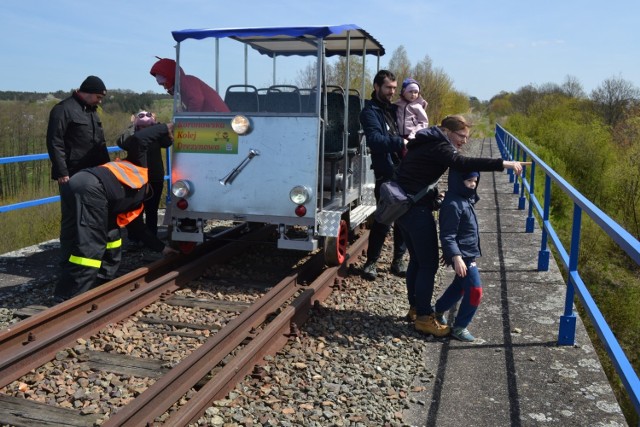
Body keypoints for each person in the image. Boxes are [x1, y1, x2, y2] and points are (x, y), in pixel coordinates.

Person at [394, 114, 524, 336]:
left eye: (466, 137)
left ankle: (415, 309)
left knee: (417, 260)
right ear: (447, 131)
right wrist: (503, 164)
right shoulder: (439, 145)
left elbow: (417, 174)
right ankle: (424, 317)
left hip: (404, 207)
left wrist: (433, 194)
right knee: (428, 265)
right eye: (461, 136)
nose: (464, 141)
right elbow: (462, 162)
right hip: (416, 210)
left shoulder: (428, 141)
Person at [52, 123, 178, 302]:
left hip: (77, 182)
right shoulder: (139, 167)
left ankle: (102, 280)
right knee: (90, 246)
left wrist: (162, 249)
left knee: (109, 235)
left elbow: (139, 230)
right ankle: (71, 296)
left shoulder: (133, 205)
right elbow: (139, 139)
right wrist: (166, 127)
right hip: (92, 189)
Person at [46, 75, 111, 275]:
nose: (100, 101)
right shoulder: (63, 109)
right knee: (71, 219)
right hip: (72, 175)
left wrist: (108, 169)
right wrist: (62, 171)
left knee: (94, 218)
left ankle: (89, 260)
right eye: (98, 97)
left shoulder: (91, 111)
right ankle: (67, 262)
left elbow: (100, 143)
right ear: (88, 92)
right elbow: (54, 142)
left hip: (94, 174)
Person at [359, 70, 408, 280]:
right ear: (377, 87)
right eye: (388, 88)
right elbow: (376, 141)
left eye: (395, 88)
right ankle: (371, 263)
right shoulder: (369, 112)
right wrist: (403, 142)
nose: (392, 92)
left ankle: (398, 260)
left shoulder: (393, 109)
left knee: (403, 219)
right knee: (383, 220)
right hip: (386, 172)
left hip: (403, 170)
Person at [433, 169, 483, 342]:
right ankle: (460, 327)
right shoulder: (453, 204)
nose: (473, 184)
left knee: (460, 287)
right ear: (457, 181)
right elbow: (447, 234)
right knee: (475, 291)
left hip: (467, 253)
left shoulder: (466, 198)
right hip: (463, 256)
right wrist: (455, 256)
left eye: (475, 181)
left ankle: (437, 310)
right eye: (469, 181)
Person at [117, 111, 173, 244]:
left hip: (154, 177)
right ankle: (135, 238)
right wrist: (132, 125)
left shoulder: (157, 136)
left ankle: (151, 238)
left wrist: (157, 126)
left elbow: (168, 141)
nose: (144, 130)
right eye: (141, 126)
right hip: (135, 179)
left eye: (146, 126)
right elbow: (122, 142)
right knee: (135, 210)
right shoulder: (133, 136)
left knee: (151, 210)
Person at [149, 57, 230, 113]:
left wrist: (189, 118)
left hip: (218, 120)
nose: (165, 88)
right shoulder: (184, 84)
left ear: (170, 77)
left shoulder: (187, 83)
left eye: (164, 84)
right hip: (213, 118)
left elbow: (197, 100)